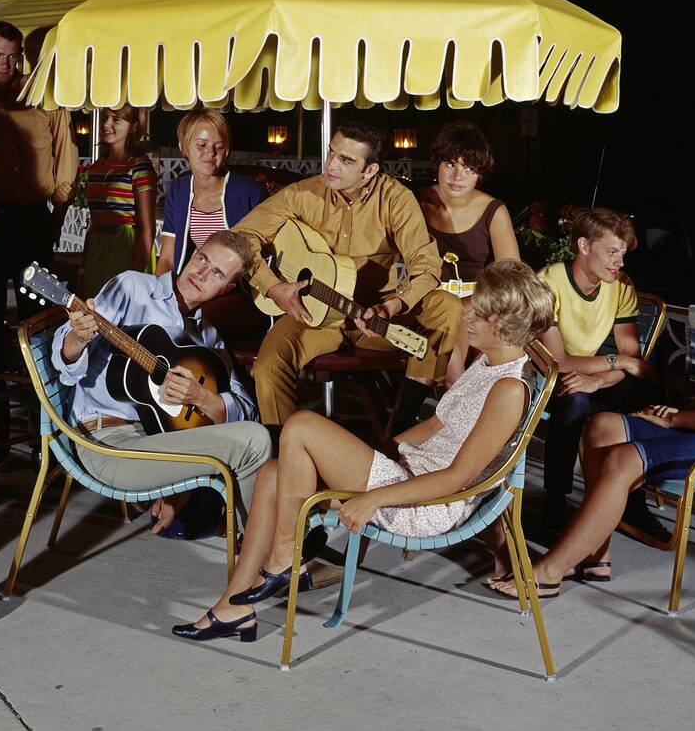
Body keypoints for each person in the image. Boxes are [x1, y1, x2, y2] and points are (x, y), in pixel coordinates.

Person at [172, 260, 554, 643]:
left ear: (506, 327)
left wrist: (375, 497)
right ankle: (233, 608)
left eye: (481, 313)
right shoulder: (489, 362)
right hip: (408, 473)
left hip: (427, 504)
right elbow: (438, 424)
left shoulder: (508, 389)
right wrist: (377, 451)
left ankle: (285, 556)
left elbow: (457, 478)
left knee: (301, 425)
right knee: (273, 472)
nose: (468, 315)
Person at [495, 254, 695, 598]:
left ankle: (548, 573)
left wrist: (677, 421)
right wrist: (670, 418)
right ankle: (594, 553)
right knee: (603, 426)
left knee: (624, 459)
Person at [232, 119, 461, 430]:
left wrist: (393, 305)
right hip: (315, 313)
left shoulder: (395, 198)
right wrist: (273, 288)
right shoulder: (302, 194)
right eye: (331, 153)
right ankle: (284, 454)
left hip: (377, 315)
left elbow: (426, 264)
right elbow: (241, 237)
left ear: (369, 171)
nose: (331, 165)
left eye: (346, 160)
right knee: (269, 364)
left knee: (446, 306)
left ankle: (400, 429)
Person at [53, 230, 271, 534]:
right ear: (193, 255)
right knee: (254, 440)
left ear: (227, 289)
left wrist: (202, 398)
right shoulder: (133, 287)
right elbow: (63, 362)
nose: (202, 273)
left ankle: (264, 550)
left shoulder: (208, 338)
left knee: (259, 435)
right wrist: (78, 336)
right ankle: (266, 558)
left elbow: (247, 408)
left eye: (217, 273)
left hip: (160, 442)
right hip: (107, 444)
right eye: (202, 259)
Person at [0, 21, 78, 454]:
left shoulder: (44, 100)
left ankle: (46, 436)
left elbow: (66, 161)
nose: (8, 64)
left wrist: (52, 220)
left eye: (14, 56)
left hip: (35, 222)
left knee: (42, 326)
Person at [536, 207, 665, 540]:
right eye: (612, 252)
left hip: (595, 376)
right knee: (575, 399)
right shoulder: (548, 283)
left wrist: (601, 376)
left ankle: (633, 501)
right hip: (547, 377)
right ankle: (555, 504)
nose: (619, 262)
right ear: (583, 246)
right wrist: (616, 364)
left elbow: (632, 355)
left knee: (645, 390)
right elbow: (559, 361)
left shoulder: (621, 285)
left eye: (622, 254)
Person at [419, 121, 520, 383]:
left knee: (501, 353)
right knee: (451, 335)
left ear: (479, 173)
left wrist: (471, 304)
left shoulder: (493, 211)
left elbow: (510, 278)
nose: (458, 176)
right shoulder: (416, 203)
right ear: (437, 164)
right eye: (451, 164)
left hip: (480, 301)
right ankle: (453, 403)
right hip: (430, 299)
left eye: (469, 168)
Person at [157, 107, 266, 338]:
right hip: (198, 285)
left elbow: (265, 255)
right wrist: (158, 295)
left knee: (199, 318)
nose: (210, 153)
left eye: (219, 147)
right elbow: (166, 257)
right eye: (201, 145)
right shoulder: (178, 190)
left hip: (241, 291)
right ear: (183, 146)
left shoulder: (248, 191)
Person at [79, 105, 157, 299]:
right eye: (105, 117)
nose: (107, 124)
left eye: (116, 119)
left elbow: (148, 229)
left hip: (126, 248)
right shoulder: (96, 168)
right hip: (97, 248)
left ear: (133, 127)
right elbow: (93, 219)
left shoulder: (140, 166)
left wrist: (136, 275)